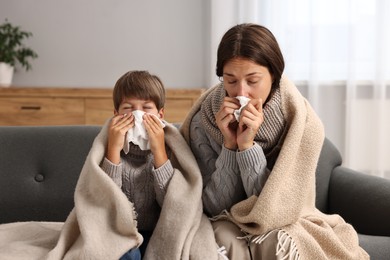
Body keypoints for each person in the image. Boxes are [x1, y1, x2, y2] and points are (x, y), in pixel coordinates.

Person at [180, 23, 369, 259]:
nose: (241, 92)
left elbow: (275, 210)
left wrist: (247, 147)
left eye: (252, 80)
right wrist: (229, 145)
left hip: (282, 218)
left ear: (274, 75)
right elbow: (215, 208)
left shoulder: (299, 120)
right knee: (220, 236)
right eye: (230, 80)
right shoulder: (204, 120)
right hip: (224, 221)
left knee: (278, 240)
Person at [100, 70, 175, 259]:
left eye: (146, 107)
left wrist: (159, 151)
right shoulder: (106, 148)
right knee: (128, 254)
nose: (137, 114)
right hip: (118, 232)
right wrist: (114, 150)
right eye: (128, 107)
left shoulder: (171, 148)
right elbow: (106, 202)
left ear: (160, 114)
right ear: (116, 113)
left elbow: (173, 204)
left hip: (157, 231)